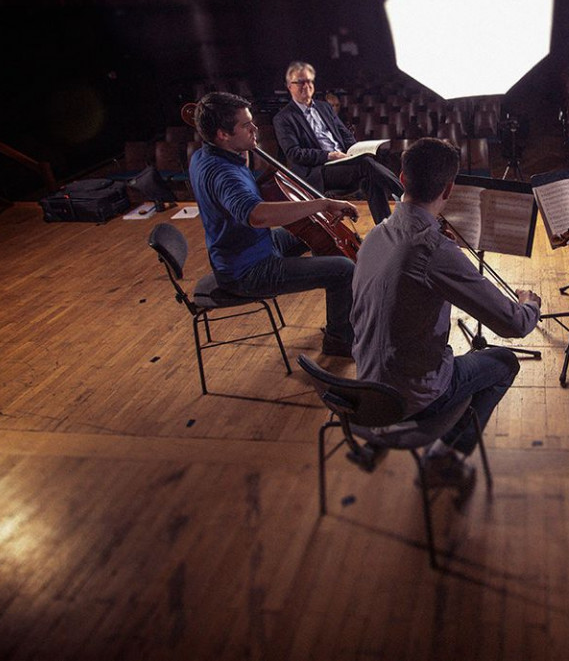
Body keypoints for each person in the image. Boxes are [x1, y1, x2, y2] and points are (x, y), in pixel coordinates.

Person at [351, 138, 541, 492]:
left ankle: (389, 443)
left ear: (403, 177)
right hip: (411, 398)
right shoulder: (434, 249)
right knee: (503, 362)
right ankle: (446, 456)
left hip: (365, 388)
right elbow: (514, 325)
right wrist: (530, 304)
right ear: (449, 189)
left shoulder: (375, 234)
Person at [188, 91, 358, 357]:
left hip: (246, 248)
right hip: (247, 270)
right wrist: (323, 203)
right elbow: (257, 216)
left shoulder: (205, 156)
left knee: (316, 229)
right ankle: (339, 340)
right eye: (246, 125)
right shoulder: (224, 173)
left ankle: (340, 308)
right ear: (222, 134)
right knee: (343, 269)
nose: (255, 129)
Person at [272, 61, 403, 225]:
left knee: (370, 174)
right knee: (365, 164)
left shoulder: (324, 107)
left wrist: (355, 149)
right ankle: (404, 194)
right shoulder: (283, 118)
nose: (306, 86)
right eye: (300, 82)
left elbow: (344, 135)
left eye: (309, 81)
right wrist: (328, 155)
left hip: (344, 161)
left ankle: (385, 227)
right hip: (319, 171)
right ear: (289, 86)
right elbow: (294, 153)